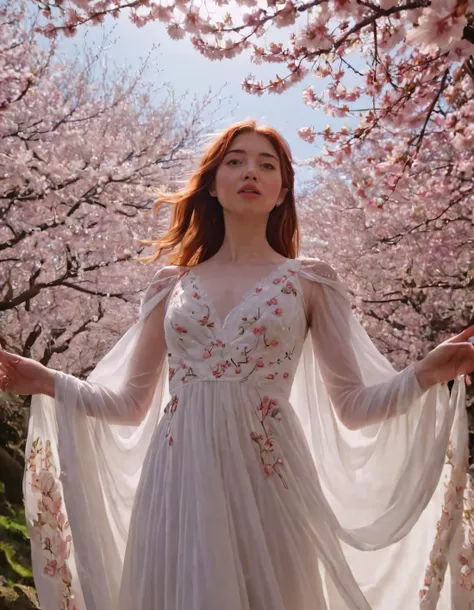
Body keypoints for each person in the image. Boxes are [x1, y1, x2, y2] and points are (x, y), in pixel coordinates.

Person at [1, 119, 474, 610]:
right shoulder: (170, 285)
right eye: (236, 161)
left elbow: (353, 406)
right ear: (212, 182)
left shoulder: (310, 281)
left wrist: (426, 372)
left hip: (272, 479)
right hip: (178, 479)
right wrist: (47, 379)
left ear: (281, 191)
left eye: (266, 165)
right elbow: (128, 404)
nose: (251, 171)